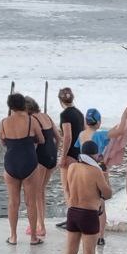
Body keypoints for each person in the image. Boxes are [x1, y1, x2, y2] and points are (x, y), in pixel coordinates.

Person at [61, 140, 112, 254]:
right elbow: (108, 194)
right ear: (95, 155)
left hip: (73, 212)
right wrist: (106, 176)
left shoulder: (72, 167)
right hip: (88, 215)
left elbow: (68, 189)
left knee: (70, 252)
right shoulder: (96, 171)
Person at [0, 92, 43, 245]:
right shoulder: (31, 120)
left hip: (11, 163)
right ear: (24, 105)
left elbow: (3, 142)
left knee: (13, 202)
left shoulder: (4, 122)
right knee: (31, 202)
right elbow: (42, 139)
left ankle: (13, 236)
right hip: (29, 162)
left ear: (10, 106)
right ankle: (33, 238)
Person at [24, 97, 57, 240]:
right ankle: (39, 224)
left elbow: (32, 140)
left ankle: (41, 227)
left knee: (36, 193)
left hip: (41, 157)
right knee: (41, 191)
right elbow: (58, 137)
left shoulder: (32, 120)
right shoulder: (46, 116)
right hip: (52, 156)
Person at [53, 87, 86, 229]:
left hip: (70, 155)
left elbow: (67, 136)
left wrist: (63, 156)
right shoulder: (79, 113)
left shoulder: (65, 115)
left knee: (67, 189)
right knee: (76, 189)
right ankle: (75, 218)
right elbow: (84, 133)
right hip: (79, 154)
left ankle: (71, 220)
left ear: (61, 100)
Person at [78, 108, 111, 245]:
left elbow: (78, 150)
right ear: (98, 122)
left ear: (86, 121)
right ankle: (100, 236)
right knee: (101, 204)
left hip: (83, 168)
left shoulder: (81, 134)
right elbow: (120, 130)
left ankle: (84, 230)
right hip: (99, 168)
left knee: (85, 200)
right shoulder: (101, 135)